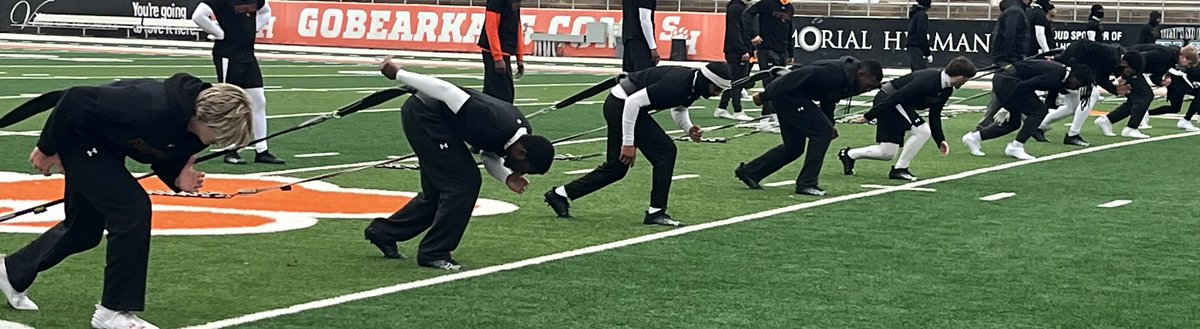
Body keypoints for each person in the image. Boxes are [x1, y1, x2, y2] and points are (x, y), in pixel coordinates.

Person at [0, 74, 253, 329]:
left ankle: (11, 272)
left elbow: (158, 146)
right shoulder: (149, 105)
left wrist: (178, 175)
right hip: (81, 137)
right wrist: (46, 147)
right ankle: (113, 312)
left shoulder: (187, 121)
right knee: (133, 212)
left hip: (105, 145)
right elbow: (76, 98)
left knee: (84, 231)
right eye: (219, 136)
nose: (217, 143)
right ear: (206, 117)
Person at [365, 57, 555, 271]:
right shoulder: (492, 121)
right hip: (425, 115)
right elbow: (446, 90)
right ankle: (434, 252)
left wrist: (507, 177)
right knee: (464, 183)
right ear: (521, 153)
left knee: (439, 191)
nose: (517, 171)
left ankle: (383, 233)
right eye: (521, 168)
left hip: (439, 121)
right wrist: (399, 73)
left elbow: (488, 156)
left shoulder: (518, 134)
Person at [543, 63, 732, 226]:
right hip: (622, 105)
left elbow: (679, 108)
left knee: (617, 168)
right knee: (665, 152)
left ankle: (559, 194)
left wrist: (689, 128)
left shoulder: (693, 84)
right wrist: (628, 143)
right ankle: (656, 212)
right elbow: (633, 102)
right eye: (717, 89)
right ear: (708, 81)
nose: (717, 94)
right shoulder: (678, 83)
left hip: (626, 106)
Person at [734, 57, 884, 196]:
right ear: (861, 73)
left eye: (872, 88)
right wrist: (765, 96)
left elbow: (829, 99)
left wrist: (829, 123)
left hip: (795, 97)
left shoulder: (850, 80)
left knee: (794, 148)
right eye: (868, 85)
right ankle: (807, 184)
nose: (867, 90)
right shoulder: (833, 72)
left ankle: (750, 172)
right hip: (788, 94)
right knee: (821, 133)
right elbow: (792, 77)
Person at [839, 57, 977, 181]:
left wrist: (939, 140)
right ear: (959, 76)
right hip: (888, 99)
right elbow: (896, 97)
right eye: (966, 78)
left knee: (886, 153)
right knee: (922, 130)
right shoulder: (927, 80)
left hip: (898, 103)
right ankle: (900, 169)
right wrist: (869, 116)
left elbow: (935, 114)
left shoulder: (947, 89)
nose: (965, 82)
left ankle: (849, 154)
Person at [192, 0, 284, 165]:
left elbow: (266, 12)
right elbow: (198, 16)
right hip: (228, 54)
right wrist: (219, 33)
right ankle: (230, 149)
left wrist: (254, 27)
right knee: (229, 102)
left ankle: (262, 150)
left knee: (259, 101)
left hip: (247, 54)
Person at [963, 60, 1095, 159]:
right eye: (1078, 84)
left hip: (1007, 79)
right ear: (1074, 77)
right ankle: (1016, 146)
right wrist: (1006, 105)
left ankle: (974, 138)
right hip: (1008, 81)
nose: (1076, 88)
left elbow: (1049, 101)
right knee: (1039, 111)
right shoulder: (1055, 76)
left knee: (1013, 124)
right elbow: (1025, 86)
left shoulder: (1059, 76)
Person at [1035, 40, 1143, 146]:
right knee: (1093, 95)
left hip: (1075, 72)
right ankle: (1073, 135)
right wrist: (1062, 58)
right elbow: (1081, 43)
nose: (1126, 74)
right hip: (1070, 72)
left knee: (1071, 107)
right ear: (1125, 63)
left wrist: (1114, 90)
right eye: (1130, 71)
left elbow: (1100, 78)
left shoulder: (1113, 60)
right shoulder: (1110, 53)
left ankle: (1039, 127)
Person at [1096, 44, 1199, 138]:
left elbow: (1155, 75)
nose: (1187, 66)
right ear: (1184, 56)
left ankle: (1107, 120)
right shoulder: (1166, 54)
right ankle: (1131, 128)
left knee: (1135, 100)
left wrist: (1161, 81)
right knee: (1146, 96)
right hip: (1129, 67)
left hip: (1132, 68)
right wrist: (1124, 76)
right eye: (1188, 63)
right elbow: (1140, 57)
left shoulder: (1171, 58)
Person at [977, 0, 1030, 129]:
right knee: (1007, 90)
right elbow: (1010, 35)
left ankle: (1033, 122)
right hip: (1009, 59)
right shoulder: (1015, 11)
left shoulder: (1013, 10)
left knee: (1004, 90)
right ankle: (1034, 123)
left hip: (1006, 58)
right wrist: (1013, 58)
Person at [745, 0, 795, 132]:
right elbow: (747, 14)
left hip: (781, 51)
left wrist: (790, 52)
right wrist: (753, 35)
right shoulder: (767, 3)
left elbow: (789, 30)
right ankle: (764, 120)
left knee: (779, 85)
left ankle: (774, 116)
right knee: (770, 85)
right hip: (767, 50)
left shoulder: (790, 8)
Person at [477, 0, 526, 103]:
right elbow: (491, 27)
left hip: (503, 52)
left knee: (492, 94)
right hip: (494, 53)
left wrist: (519, 57)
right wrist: (497, 57)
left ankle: (486, 118)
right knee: (503, 96)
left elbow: (517, 25)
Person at [716, 0, 755, 121]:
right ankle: (737, 110)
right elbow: (735, 30)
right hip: (736, 50)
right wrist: (743, 49)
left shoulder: (739, 7)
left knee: (734, 80)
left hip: (739, 48)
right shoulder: (736, 8)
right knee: (738, 80)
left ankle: (722, 107)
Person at [1147, 65, 1200, 132]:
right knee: (1175, 107)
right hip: (1179, 80)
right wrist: (1164, 78)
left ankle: (1145, 113)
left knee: (1175, 108)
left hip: (1180, 79)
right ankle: (1186, 120)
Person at [622, 0, 659, 72]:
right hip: (641, 41)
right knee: (645, 77)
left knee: (630, 78)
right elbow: (644, 19)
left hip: (628, 39)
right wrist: (653, 48)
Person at [906, 0, 932, 72]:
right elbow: (921, 34)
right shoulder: (921, 15)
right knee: (921, 72)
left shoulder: (916, 14)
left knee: (916, 71)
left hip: (913, 47)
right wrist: (927, 53)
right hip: (917, 47)